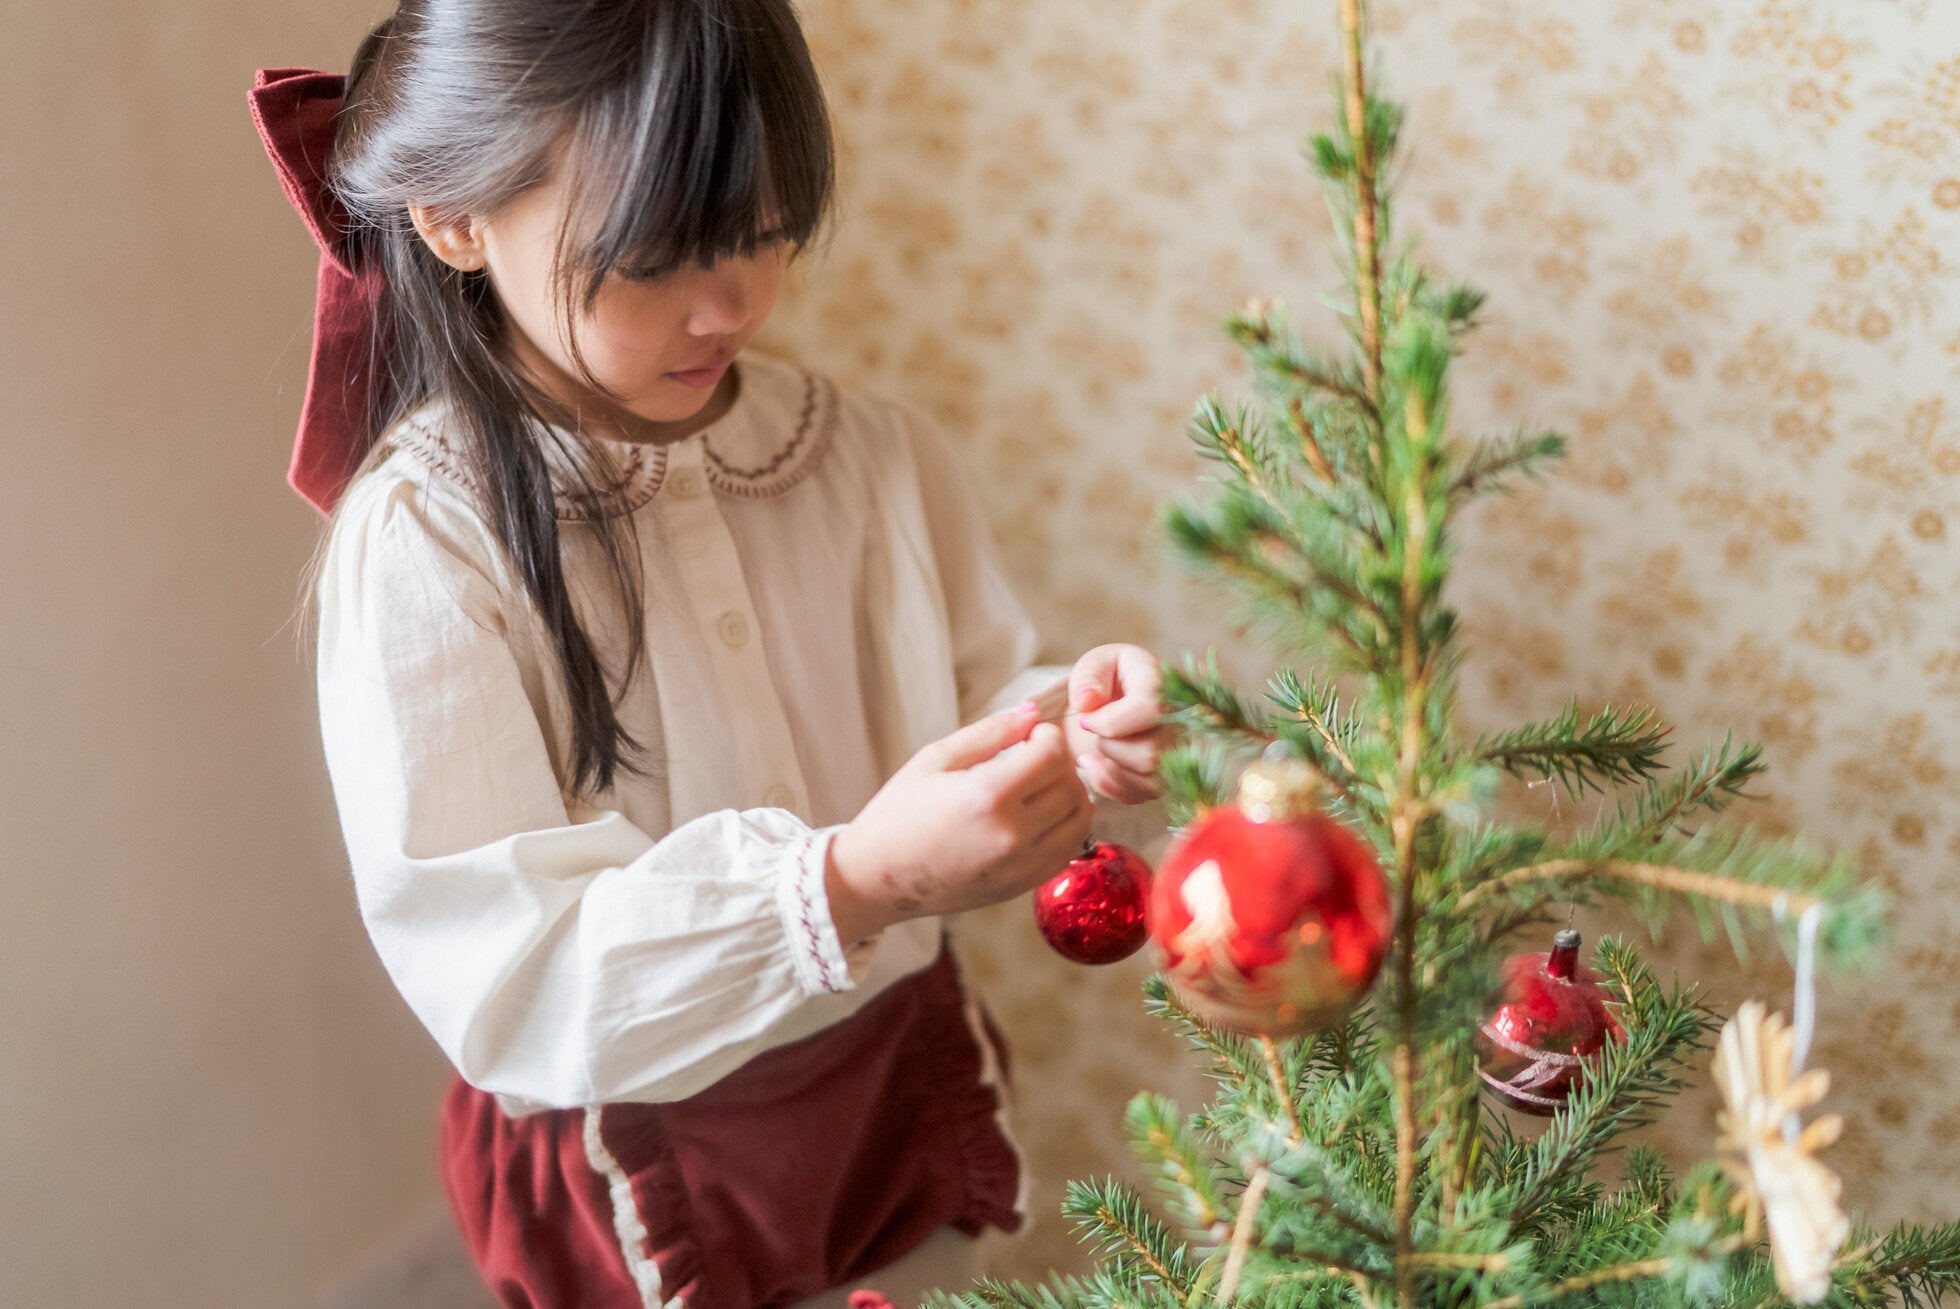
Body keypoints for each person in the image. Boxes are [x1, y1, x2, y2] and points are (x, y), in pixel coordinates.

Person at [248, 3, 1174, 1306]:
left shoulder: (862, 455)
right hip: (644, 1150)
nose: (731, 302)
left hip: (899, 1075)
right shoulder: (429, 542)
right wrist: (850, 882)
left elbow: (974, 696)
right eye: (657, 254)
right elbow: (512, 975)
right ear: (455, 219)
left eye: (762, 232)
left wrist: (1066, 723)